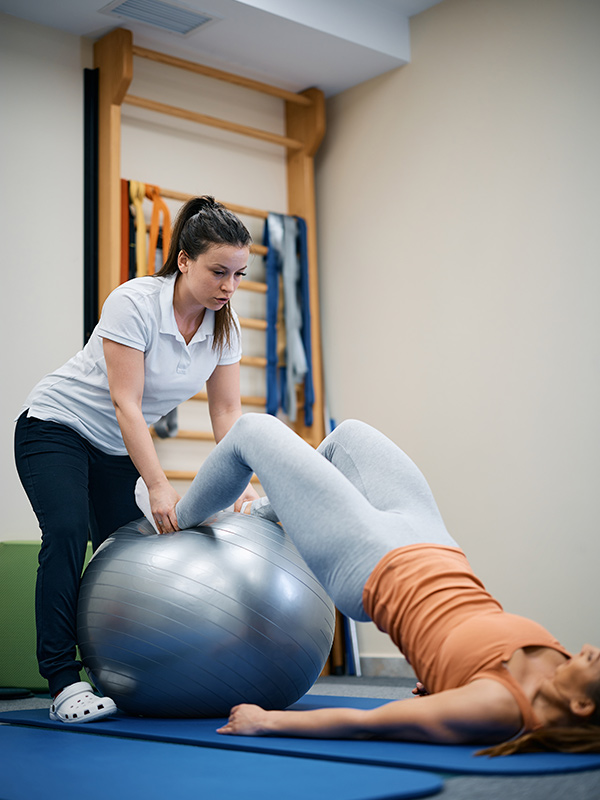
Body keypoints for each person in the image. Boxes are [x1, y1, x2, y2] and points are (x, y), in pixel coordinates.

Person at [135, 413, 600, 755]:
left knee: (250, 432)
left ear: (582, 705)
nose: (592, 650)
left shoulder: (497, 706)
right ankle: (256, 513)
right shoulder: (560, 665)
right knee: (349, 437)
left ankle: (174, 518)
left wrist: (267, 723)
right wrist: (446, 681)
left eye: (599, 664)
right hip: (435, 542)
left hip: (372, 566)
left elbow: (373, 723)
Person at [14, 196, 258, 724]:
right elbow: (126, 403)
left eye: (239, 274)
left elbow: (226, 411)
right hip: (56, 427)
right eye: (219, 272)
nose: (230, 287)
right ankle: (63, 683)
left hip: (115, 447)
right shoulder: (135, 302)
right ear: (185, 260)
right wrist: (158, 483)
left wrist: (243, 482)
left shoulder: (225, 326)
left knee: (126, 553)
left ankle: (118, 672)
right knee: (67, 532)